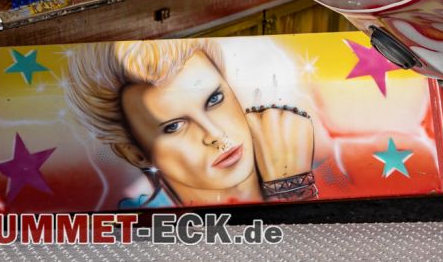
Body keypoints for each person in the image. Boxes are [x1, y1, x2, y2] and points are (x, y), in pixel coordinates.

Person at [65, 39, 316, 207]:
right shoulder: (136, 223)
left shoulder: (316, 166)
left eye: (215, 99)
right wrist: (291, 191)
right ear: (135, 154)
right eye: (173, 126)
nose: (214, 134)